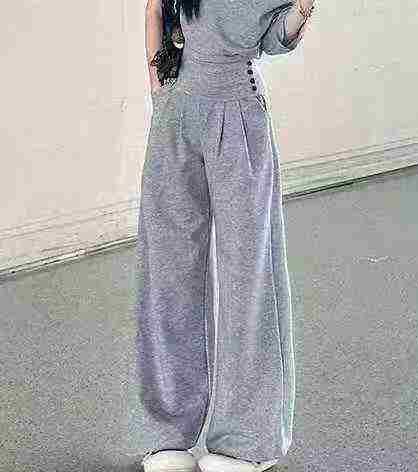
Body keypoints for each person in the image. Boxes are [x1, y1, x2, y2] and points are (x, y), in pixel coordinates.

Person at [134, 0, 316, 471]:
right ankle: (167, 433)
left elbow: (274, 36)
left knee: (247, 276)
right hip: (175, 113)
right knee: (168, 272)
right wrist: (159, 92)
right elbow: (155, 7)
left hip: (237, 113)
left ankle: (246, 440)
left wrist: (303, 8)